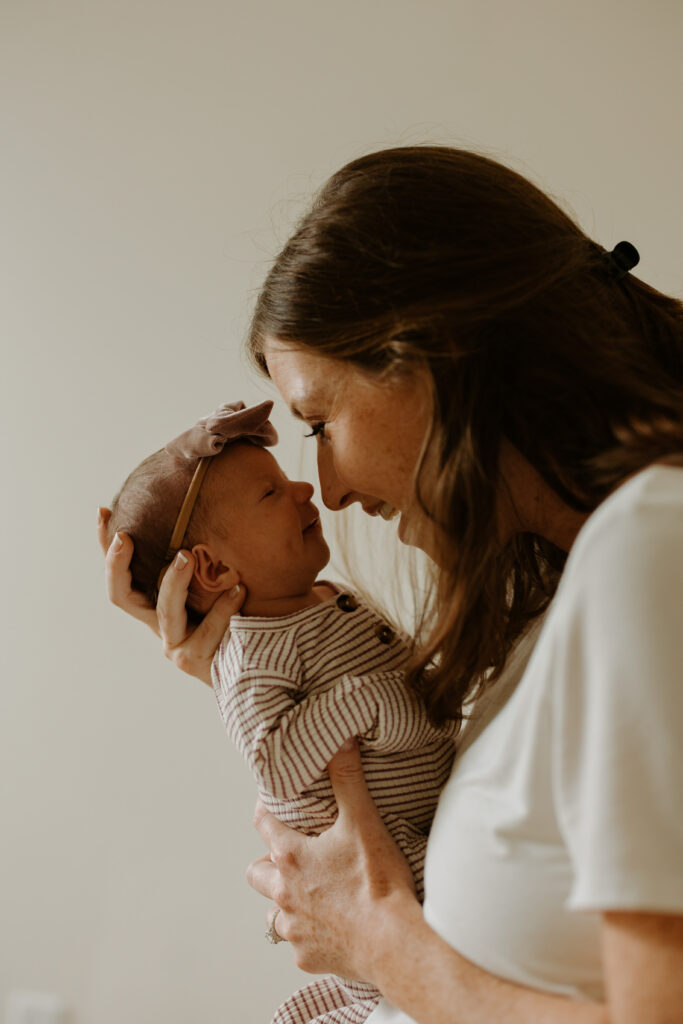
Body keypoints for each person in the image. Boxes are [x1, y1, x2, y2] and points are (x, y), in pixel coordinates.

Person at [99, 145, 683, 1023]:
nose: (326, 491)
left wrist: (378, 947)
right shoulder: (564, 603)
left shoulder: (652, 549)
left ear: (433, 353)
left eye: (319, 420)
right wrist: (242, 652)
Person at [104, 398, 458, 1024]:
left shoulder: (316, 601)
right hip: (394, 861)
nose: (303, 486)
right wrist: (374, 702)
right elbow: (276, 763)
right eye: (270, 494)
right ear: (210, 566)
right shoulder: (251, 658)